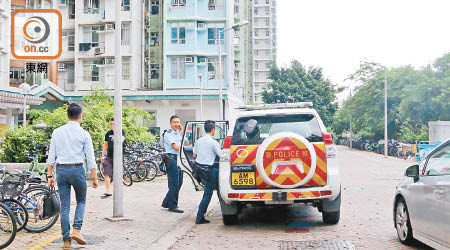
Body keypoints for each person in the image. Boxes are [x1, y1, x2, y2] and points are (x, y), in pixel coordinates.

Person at [47, 103, 98, 249]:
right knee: (81, 201)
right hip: (77, 170)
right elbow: (91, 159)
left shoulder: (57, 132)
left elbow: (51, 157)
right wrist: (95, 179)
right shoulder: (84, 134)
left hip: (61, 171)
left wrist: (49, 175)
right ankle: (76, 229)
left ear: (67, 115)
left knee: (65, 206)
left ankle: (66, 241)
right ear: (80, 116)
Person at [193, 120, 221, 224]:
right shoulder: (214, 142)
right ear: (213, 130)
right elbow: (221, 155)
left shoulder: (199, 141)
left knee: (207, 193)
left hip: (200, 170)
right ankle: (199, 217)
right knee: (209, 194)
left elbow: (194, 155)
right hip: (209, 170)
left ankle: (201, 216)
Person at [161, 115, 184, 213]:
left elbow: (185, 143)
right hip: (171, 158)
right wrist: (183, 147)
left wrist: (182, 132)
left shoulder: (177, 133)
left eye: (178, 122)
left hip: (178, 159)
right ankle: (173, 206)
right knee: (174, 183)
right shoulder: (168, 134)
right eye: (174, 122)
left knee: (180, 181)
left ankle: (166, 202)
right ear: (170, 123)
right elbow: (175, 147)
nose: (177, 124)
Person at [100, 118, 126, 198]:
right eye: (111, 124)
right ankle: (108, 190)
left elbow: (122, 139)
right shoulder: (108, 133)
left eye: (114, 124)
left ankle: (118, 191)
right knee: (106, 173)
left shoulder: (121, 131)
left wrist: (119, 137)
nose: (112, 125)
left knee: (117, 175)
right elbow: (105, 145)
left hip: (118, 157)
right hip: (109, 156)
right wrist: (102, 155)